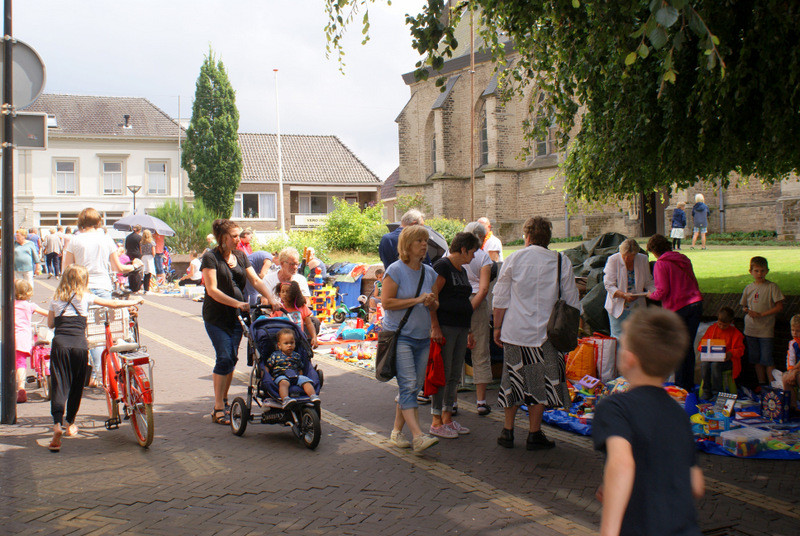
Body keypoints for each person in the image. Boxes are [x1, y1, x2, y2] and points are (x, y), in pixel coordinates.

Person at [593, 307, 704, 536]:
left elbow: (622, 464)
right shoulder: (678, 414)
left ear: (628, 358)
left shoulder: (615, 408)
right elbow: (696, 484)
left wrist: (609, 530)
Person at [493, 216, 580, 450]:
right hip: (547, 336)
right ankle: (534, 433)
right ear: (549, 237)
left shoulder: (514, 259)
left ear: (527, 236)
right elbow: (572, 302)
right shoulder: (561, 261)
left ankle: (507, 431)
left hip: (515, 332)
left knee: (512, 381)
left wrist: (497, 327)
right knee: (540, 384)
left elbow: (500, 299)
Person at [46, 264, 143, 452]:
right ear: (84, 281)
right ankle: (70, 424)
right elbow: (113, 304)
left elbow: (50, 324)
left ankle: (57, 425)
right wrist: (133, 301)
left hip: (60, 345)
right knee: (76, 386)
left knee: (60, 385)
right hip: (79, 345)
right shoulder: (86, 297)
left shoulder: (55, 299)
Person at [201, 219, 279, 426]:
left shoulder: (240, 256)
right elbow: (212, 290)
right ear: (222, 238)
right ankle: (218, 406)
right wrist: (237, 302)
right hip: (216, 317)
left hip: (237, 316)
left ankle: (224, 399)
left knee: (231, 358)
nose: (238, 239)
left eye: (238, 235)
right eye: (234, 236)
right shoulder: (210, 258)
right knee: (224, 356)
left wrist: (271, 299)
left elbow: (255, 280)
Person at [62, 208, 137, 388]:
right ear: (99, 222)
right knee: (107, 331)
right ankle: (113, 371)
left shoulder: (75, 240)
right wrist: (133, 266)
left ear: (81, 222)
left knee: (89, 333)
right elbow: (118, 267)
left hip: (81, 289)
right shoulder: (105, 239)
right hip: (103, 286)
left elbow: (66, 269)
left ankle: (99, 374)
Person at [382, 224, 440, 453]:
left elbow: (436, 304)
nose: (424, 245)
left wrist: (432, 303)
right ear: (407, 245)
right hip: (401, 336)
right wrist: (417, 301)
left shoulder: (430, 272)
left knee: (413, 387)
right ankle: (418, 436)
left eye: (425, 241)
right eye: (419, 241)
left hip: (422, 337)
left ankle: (396, 433)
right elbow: (386, 303)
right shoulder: (395, 270)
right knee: (407, 385)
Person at [429, 232, 481, 438]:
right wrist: (435, 326)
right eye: (473, 252)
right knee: (443, 372)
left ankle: (447, 417)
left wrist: (469, 330)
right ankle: (435, 420)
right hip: (446, 326)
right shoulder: (443, 267)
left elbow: (463, 301)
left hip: (460, 327)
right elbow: (432, 297)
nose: (474, 257)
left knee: (454, 374)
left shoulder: (461, 270)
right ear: (464, 249)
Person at [646, 234, 703, 391]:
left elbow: (662, 291)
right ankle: (688, 384)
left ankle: (680, 386)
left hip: (678, 308)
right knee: (688, 346)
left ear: (654, 251)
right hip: (696, 303)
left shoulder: (661, 264)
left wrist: (650, 295)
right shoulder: (683, 259)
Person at [463, 221, 494, 416]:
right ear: (483, 239)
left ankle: (451, 401)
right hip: (478, 304)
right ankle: (481, 401)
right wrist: (471, 307)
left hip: (457, 301)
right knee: (481, 350)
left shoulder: (451, 255)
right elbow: (483, 289)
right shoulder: (483, 258)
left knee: (455, 350)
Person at [740, 256, 784, 387]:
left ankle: (773, 385)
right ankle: (761, 384)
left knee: (767, 359)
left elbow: (779, 307)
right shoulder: (748, 288)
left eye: (762, 271)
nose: (760, 274)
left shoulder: (772, 287)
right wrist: (748, 311)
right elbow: (743, 306)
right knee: (755, 359)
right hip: (751, 329)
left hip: (765, 330)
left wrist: (761, 314)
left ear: (767, 271)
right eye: (757, 271)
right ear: (751, 271)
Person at [603, 238, 655, 341]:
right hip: (618, 304)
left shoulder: (643, 259)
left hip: (637, 305)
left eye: (631, 257)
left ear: (636, 254)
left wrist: (652, 292)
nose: (627, 259)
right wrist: (623, 295)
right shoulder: (613, 260)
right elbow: (609, 285)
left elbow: (648, 281)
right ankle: (618, 357)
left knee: (637, 337)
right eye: (624, 256)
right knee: (618, 338)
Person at [697, 306, 745, 400]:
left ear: (731, 323)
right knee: (704, 365)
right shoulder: (712, 329)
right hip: (712, 359)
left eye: (725, 325)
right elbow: (701, 344)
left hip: (729, 361)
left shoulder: (736, 333)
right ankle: (707, 391)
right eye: (720, 324)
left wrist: (730, 353)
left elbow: (741, 350)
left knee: (715, 365)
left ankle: (717, 393)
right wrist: (705, 348)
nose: (722, 327)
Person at [266, 328, 320, 408]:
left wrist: (300, 376)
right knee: (284, 383)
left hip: (295, 376)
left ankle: (313, 396)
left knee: (306, 381)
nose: (289, 345)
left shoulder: (296, 356)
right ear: (279, 345)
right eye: (286, 343)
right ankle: (285, 399)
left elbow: (300, 368)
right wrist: (267, 376)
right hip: (281, 376)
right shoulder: (275, 355)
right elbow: (267, 366)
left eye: (292, 343)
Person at [14, 279, 48, 403]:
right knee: (21, 363)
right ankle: (21, 388)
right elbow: (47, 314)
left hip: (10, 337)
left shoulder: (9, 305)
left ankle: (14, 384)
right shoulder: (30, 306)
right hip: (23, 337)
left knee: (13, 363)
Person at [271, 281, 318, 347]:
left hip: (298, 340)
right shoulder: (278, 309)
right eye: (282, 291)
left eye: (287, 292)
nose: (284, 294)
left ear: (294, 294)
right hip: (283, 343)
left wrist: (314, 337)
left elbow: (309, 323)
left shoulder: (301, 307)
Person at [781, 315, 800, 410]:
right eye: (793, 330)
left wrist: (795, 371)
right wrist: (791, 371)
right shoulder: (792, 343)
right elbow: (790, 359)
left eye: (798, 331)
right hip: (796, 370)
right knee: (785, 377)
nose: (795, 333)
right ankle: (792, 406)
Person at [125, 225, 143, 292]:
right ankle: (137, 286)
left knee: (131, 270)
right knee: (137, 271)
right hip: (137, 254)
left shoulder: (128, 237)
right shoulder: (139, 238)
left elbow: (126, 247)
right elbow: (141, 247)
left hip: (129, 254)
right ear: (139, 230)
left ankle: (131, 285)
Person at [140, 229, 156, 294]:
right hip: (149, 257)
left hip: (143, 257)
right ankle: (147, 289)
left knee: (144, 273)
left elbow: (141, 252)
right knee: (149, 273)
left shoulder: (141, 243)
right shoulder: (152, 242)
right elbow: (153, 252)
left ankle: (145, 288)